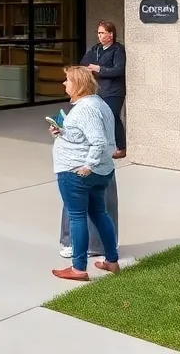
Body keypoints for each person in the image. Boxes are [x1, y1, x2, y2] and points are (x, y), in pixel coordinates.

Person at [50, 65, 120, 281]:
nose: (64, 84)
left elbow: (98, 141)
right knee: (99, 213)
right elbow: (87, 135)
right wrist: (61, 132)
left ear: (79, 84)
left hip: (77, 172)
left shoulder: (85, 109)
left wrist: (87, 166)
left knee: (77, 217)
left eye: (68, 80)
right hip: (100, 171)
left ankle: (78, 268)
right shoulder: (98, 104)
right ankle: (111, 260)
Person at [82, 21, 127, 158]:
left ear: (111, 34)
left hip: (114, 91)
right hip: (99, 90)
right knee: (98, 119)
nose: (100, 36)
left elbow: (118, 70)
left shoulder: (118, 50)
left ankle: (121, 147)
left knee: (112, 117)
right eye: (98, 33)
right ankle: (103, 146)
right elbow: (84, 63)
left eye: (102, 33)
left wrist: (99, 69)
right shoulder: (96, 49)